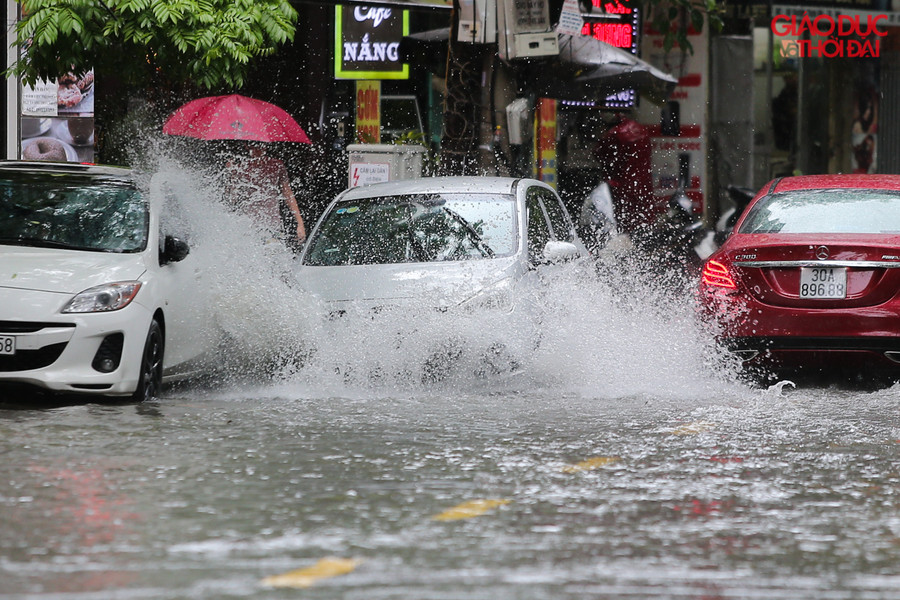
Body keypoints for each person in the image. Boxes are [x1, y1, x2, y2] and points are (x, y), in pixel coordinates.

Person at [223, 142, 306, 249]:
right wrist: (231, 175)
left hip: (272, 226)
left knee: (274, 257)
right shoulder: (240, 167)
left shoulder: (276, 165)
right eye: (254, 146)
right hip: (247, 227)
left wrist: (300, 223)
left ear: (266, 146)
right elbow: (232, 199)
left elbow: (288, 195)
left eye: (261, 146)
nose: (258, 149)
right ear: (247, 147)